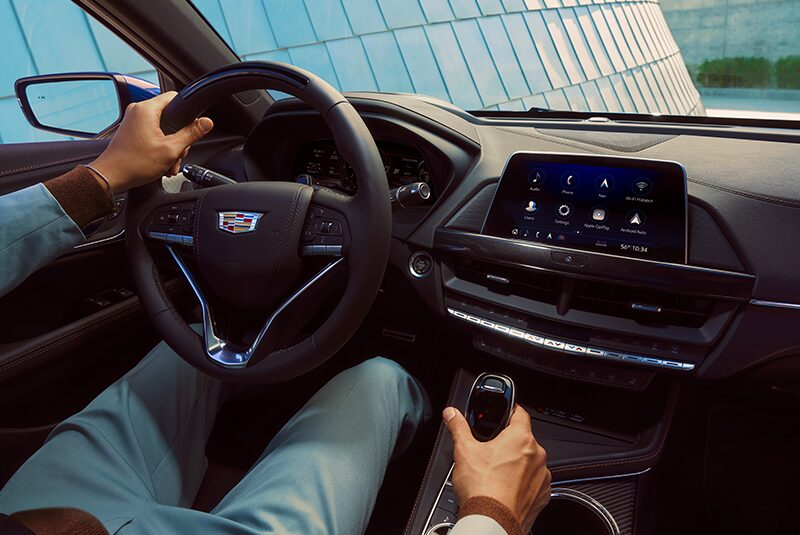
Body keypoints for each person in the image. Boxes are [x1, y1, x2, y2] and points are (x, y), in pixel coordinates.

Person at [0, 93, 551, 535]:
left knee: (200, 343)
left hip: (36, 517)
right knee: (381, 378)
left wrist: (104, 176)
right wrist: (491, 514)